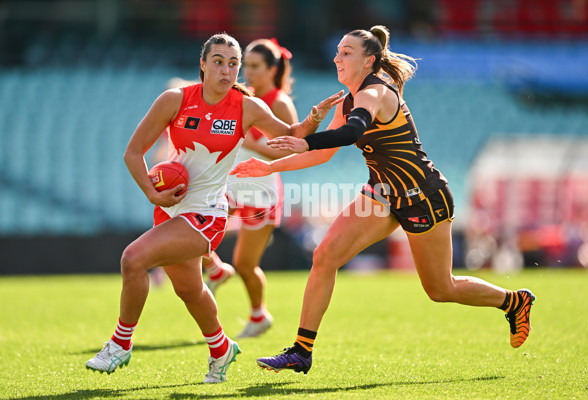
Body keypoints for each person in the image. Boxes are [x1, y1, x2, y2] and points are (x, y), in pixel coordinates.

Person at [230, 25, 536, 374]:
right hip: (382, 192)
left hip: (423, 194)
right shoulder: (348, 99)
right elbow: (322, 154)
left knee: (440, 288)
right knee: (325, 255)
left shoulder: (375, 92)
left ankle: (514, 301)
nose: (337, 58)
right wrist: (268, 167)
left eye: (347, 52)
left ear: (369, 60)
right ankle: (301, 351)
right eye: (338, 51)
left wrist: (307, 141)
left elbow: (350, 133)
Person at [84, 32, 343, 383]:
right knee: (189, 290)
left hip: (207, 212)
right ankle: (222, 349)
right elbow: (133, 153)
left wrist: (314, 117)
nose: (227, 70)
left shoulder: (247, 106)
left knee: (133, 259)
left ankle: (119, 345)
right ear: (203, 64)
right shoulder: (175, 99)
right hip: (170, 206)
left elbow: (291, 136)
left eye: (233, 64)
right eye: (218, 62)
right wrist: (152, 193)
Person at [202, 38, 299, 339]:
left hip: (262, 191)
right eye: (248, 66)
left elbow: (294, 150)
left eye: (256, 67)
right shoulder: (246, 97)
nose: (249, 73)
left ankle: (259, 315)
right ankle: (216, 270)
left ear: (272, 69)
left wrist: (254, 144)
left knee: (245, 263)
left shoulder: (280, 102)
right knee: (197, 230)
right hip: (234, 183)